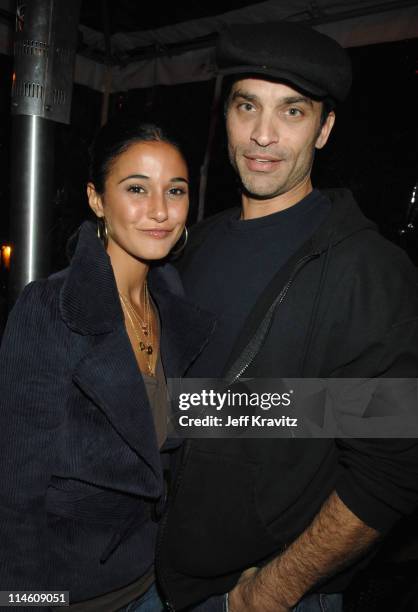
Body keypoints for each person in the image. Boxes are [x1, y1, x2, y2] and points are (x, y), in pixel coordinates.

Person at [155, 22, 418, 612]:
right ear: (226, 114)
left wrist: (266, 594)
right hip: (162, 575)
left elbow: (392, 468)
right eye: (247, 105)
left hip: (268, 592)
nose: (263, 135)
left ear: (324, 129)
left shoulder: (367, 271)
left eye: (292, 112)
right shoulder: (195, 244)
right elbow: (194, 406)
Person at [0, 118, 213, 611]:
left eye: (175, 190)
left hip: (153, 580)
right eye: (136, 188)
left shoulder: (170, 301)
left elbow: (175, 420)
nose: (160, 210)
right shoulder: (51, 308)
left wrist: (374, 409)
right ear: (97, 199)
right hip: (71, 591)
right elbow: (14, 489)